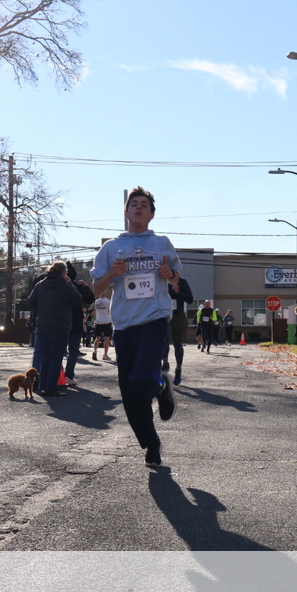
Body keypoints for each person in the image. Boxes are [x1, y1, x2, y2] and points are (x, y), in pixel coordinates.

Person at [91, 186, 182, 468]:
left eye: (144, 204)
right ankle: (151, 442)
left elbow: (176, 279)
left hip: (154, 319)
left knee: (142, 379)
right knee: (130, 394)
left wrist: (169, 274)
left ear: (151, 214)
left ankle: (161, 386)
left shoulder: (162, 243)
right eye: (134, 204)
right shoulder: (111, 247)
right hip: (124, 325)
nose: (139, 207)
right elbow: (96, 289)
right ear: (126, 212)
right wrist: (111, 273)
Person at [27, 260, 81, 396]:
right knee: (55, 358)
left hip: (43, 325)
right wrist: (70, 284)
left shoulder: (40, 284)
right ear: (64, 273)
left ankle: (43, 385)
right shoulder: (65, 286)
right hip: (60, 326)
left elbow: (31, 302)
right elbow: (77, 300)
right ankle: (51, 388)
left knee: (45, 357)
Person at [63, 262, 95, 385]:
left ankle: (54, 377)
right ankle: (69, 376)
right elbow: (90, 299)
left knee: (56, 351)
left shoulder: (54, 286)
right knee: (73, 350)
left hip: (59, 322)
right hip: (75, 322)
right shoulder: (77, 287)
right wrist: (86, 287)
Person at [163, 276, 193, 385]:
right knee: (164, 340)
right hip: (164, 315)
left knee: (178, 344)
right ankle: (165, 363)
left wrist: (178, 292)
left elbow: (190, 299)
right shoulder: (161, 281)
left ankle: (178, 370)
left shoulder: (182, 282)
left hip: (178, 316)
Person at [92, 292, 114, 361]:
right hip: (107, 321)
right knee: (107, 338)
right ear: (105, 294)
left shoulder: (96, 301)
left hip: (98, 321)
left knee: (97, 337)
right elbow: (111, 311)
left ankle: (95, 350)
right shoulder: (108, 302)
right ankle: (105, 354)